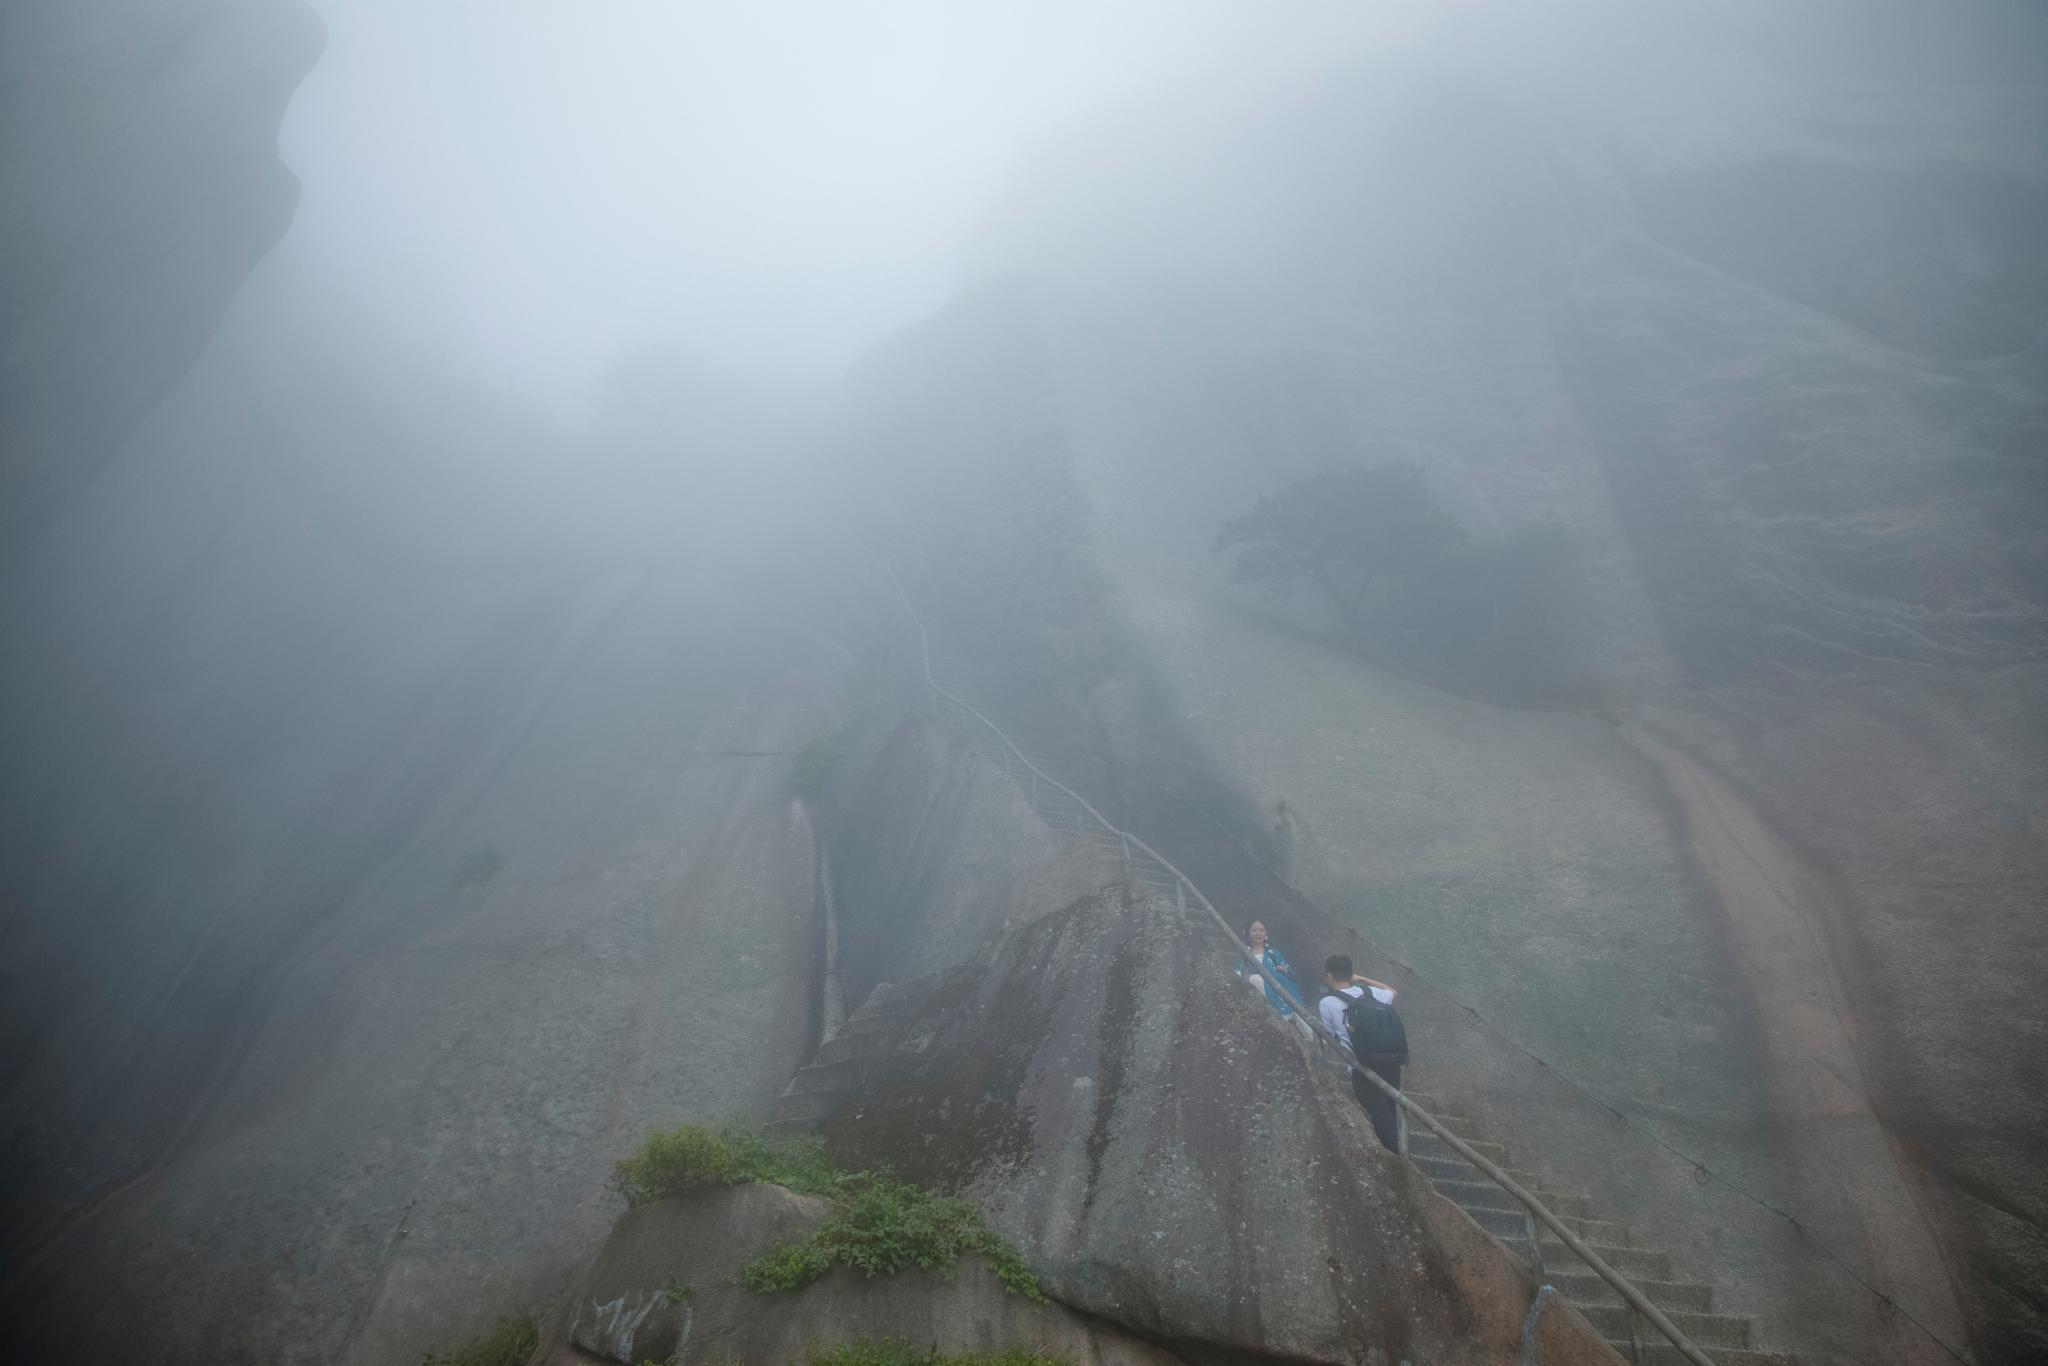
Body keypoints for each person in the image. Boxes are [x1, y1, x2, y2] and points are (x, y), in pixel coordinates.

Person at [1319, 954, 1404, 1152]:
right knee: (1392, 1109)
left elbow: (1329, 1035)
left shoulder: (1328, 1002)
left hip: (1362, 1065)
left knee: (1379, 1113)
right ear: (1351, 974)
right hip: (1391, 1061)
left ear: (1329, 976)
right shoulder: (1371, 992)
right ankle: (1401, 1151)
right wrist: (1363, 979)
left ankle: (1398, 1157)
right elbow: (1392, 992)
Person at [1240, 920, 1312, 1041]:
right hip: (1265, 994)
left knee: (1303, 1019)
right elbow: (1240, 973)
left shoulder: (1273, 953)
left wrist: (1283, 969)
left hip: (1283, 990)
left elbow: (1289, 970)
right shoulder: (1245, 955)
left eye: (1261, 930)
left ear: (1266, 933)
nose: (1258, 933)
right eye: (1254, 930)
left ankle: (1316, 1041)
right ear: (1247, 933)